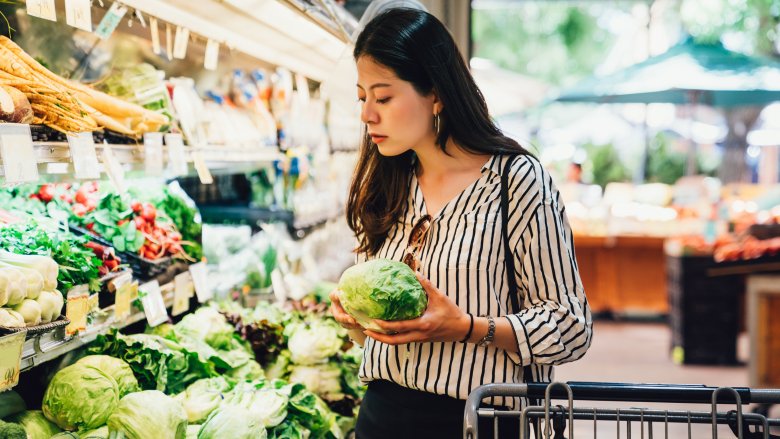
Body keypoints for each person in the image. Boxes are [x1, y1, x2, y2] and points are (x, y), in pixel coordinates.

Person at [329, 8, 593, 439]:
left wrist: (467, 327)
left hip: (480, 420)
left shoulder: (515, 181)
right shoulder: (388, 183)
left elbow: (571, 326)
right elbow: (378, 341)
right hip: (383, 415)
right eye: (362, 98)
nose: (367, 116)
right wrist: (359, 324)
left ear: (435, 94)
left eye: (383, 97)